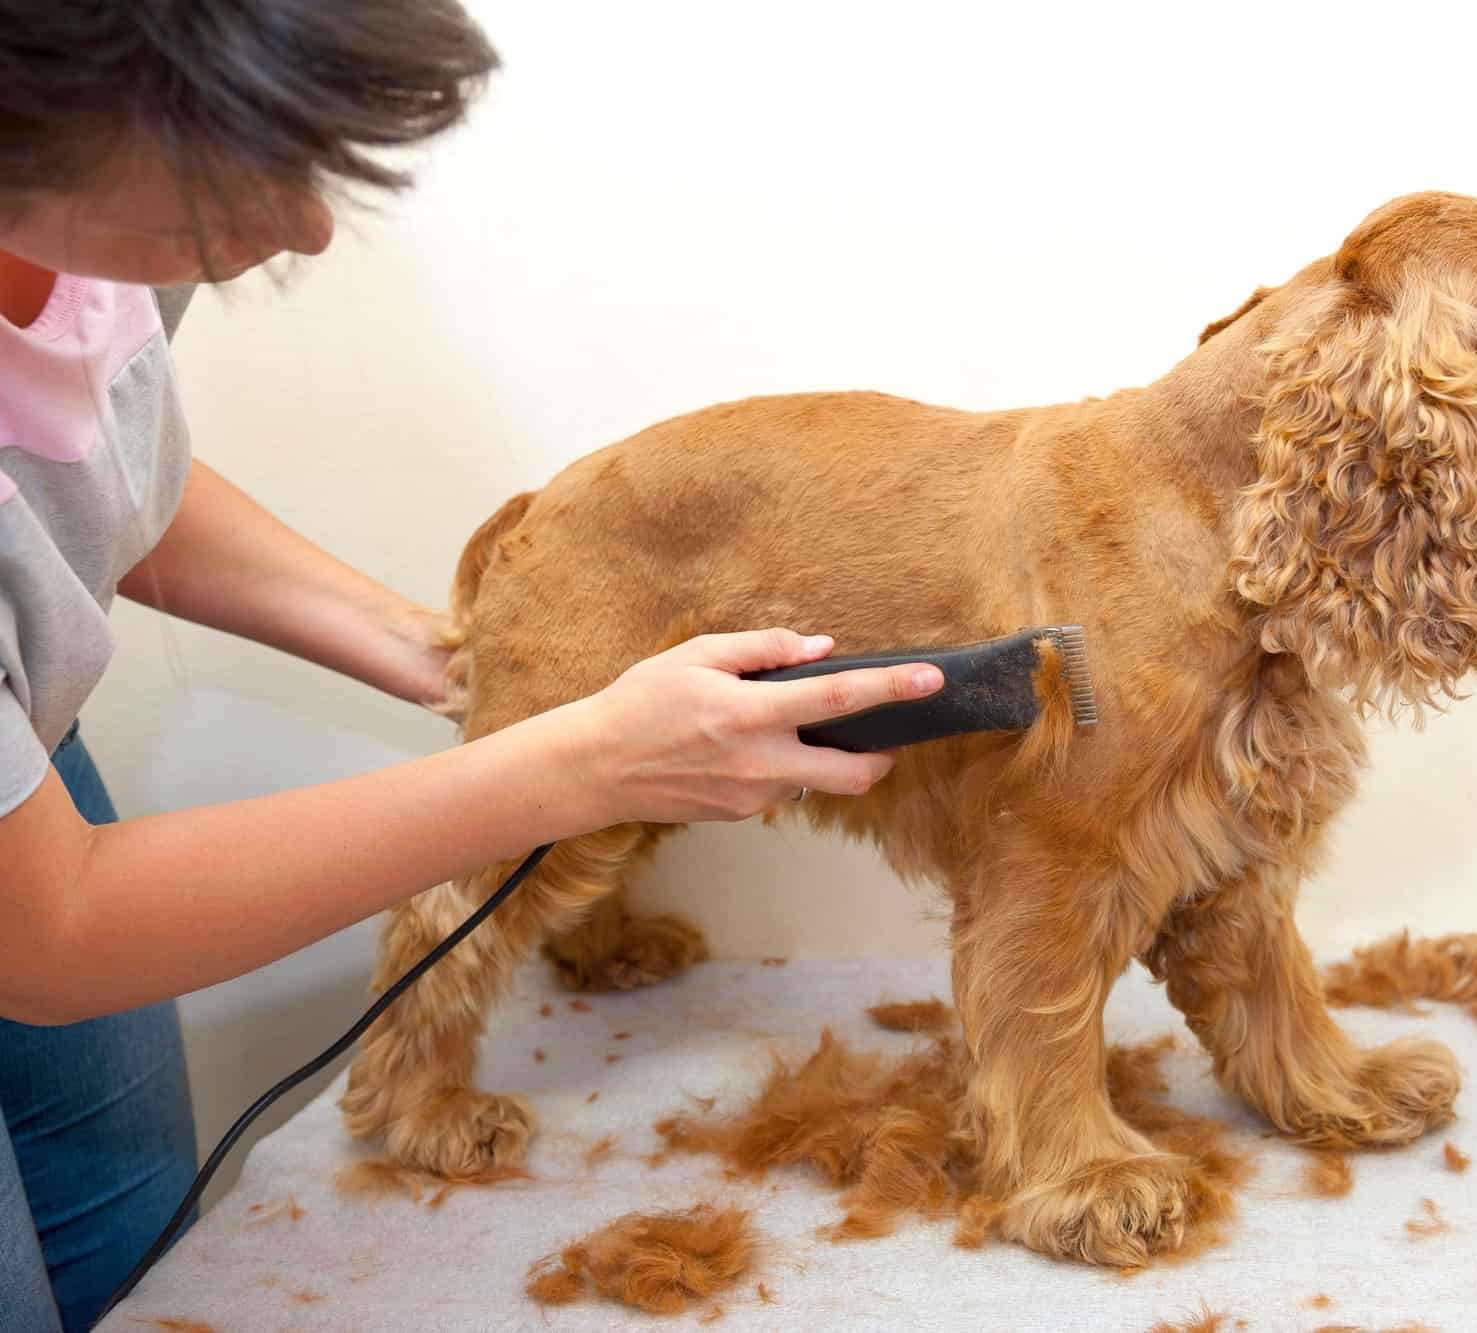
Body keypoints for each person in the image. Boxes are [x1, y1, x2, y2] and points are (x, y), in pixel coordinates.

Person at [0, 4, 940, 1328]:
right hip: (33, 887)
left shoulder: (87, 222)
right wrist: (575, 760)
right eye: (251, 167)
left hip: (30, 759)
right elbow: (53, 929)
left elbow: (79, 473)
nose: (311, 229)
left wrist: (463, 656)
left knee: (138, 1248)